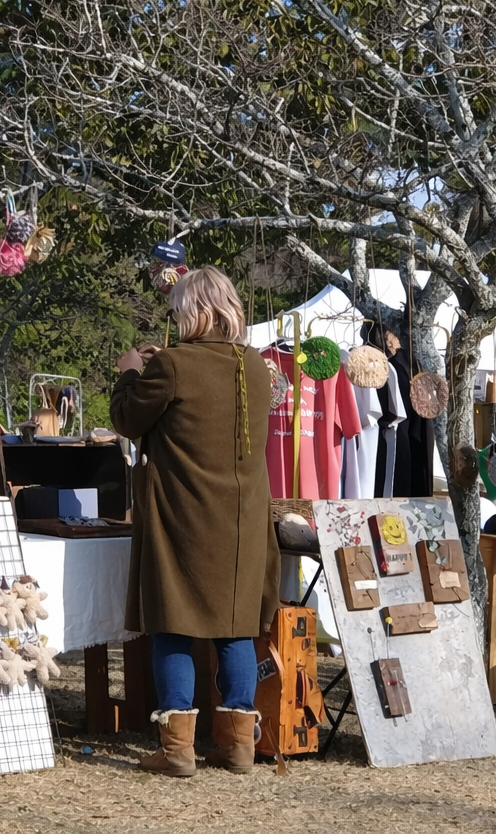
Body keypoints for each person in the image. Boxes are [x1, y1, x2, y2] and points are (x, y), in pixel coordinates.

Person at [111, 267, 280, 777]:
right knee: (235, 630)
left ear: (196, 311)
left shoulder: (174, 367)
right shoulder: (255, 366)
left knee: (173, 626)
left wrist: (128, 371)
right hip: (244, 521)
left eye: (179, 308)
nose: (175, 317)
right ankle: (237, 748)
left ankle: (178, 751)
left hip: (185, 517)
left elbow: (127, 421)